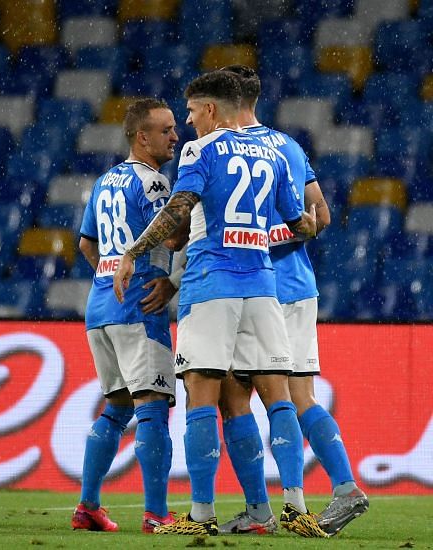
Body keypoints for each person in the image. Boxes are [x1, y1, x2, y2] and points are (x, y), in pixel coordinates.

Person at [112, 71, 326, 538]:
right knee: (277, 395)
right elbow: (300, 221)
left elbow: (180, 206)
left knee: (202, 394)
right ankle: (296, 505)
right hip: (264, 286)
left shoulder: (200, 150)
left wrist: (132, 252)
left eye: (190, 112)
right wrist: (303, 227)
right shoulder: (272, 152)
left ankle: (202, 512)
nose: (187, 123)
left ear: (211, 110)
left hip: (211, 284)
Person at [215, 65, 368, 537]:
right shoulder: (288, 146)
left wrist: (253, 236)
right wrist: (293, 229)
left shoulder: (220, 151)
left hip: (252, 288)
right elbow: (319, 215)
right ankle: (344, 488)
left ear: (221, 103)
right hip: (299, 287)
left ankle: (262, 511)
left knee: (233, 398)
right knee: (299, 395)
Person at [72, 98, 183, 534]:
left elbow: (86, 243)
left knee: (116, 408)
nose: (175, 136)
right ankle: (157, 513)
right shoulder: (154, 182)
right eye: (166, 130)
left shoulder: (104, 181)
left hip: (100, 308)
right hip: (140, 309)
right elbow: (171, 238)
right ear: (142, 137)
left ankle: (88, 506)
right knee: (153, 408)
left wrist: (109, 274)